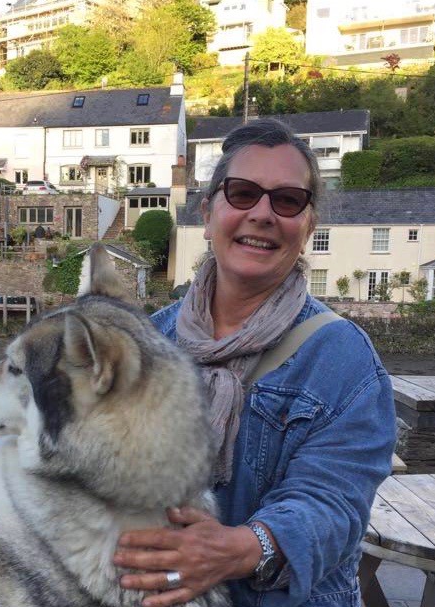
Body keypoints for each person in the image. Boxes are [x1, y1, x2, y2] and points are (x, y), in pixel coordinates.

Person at [113, 119, 396, 607]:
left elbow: (333, 504)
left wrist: (244, 548)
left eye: (287, 200)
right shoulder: (148, 341)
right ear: (208, 214)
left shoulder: (343, 359)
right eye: (243, 193)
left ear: (308, 228)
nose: (262, 214)